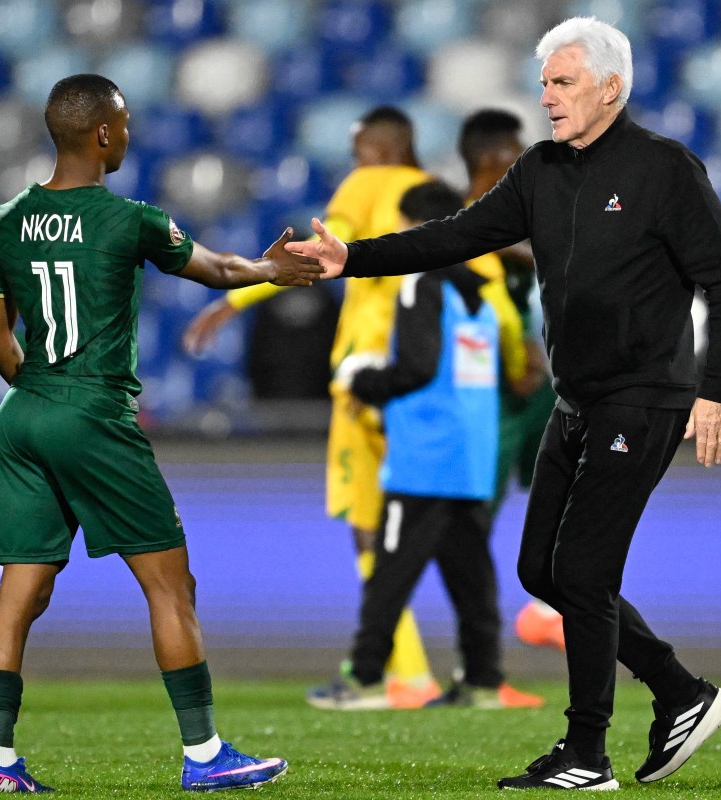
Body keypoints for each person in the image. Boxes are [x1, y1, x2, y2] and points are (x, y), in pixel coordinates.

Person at [288, 16, 721, 791]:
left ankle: (587, 754)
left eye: (563, 82)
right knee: (542, 569)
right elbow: (454, 236)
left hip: (644, 399)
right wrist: (351, 259)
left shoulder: (664, 168)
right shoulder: (541, 170)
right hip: (577, 402)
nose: (547, 97)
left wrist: (719, 392)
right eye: (544, 83)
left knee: (583, 571)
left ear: (611, 88)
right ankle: (680, 691)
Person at [0, 74, 316, 793]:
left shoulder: (7, 219)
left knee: (18, 595)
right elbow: (216, 269)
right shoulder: (129, 219)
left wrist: (42, 394)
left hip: (24, 412)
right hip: (92, 412)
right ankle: (205, 755)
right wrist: (270, 269)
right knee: (170, 584)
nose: (128, 134)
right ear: (103, 134)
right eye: (124, 124)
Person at [182, 106, 442, 708]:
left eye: (359, 151)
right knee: (426, 525)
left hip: (366, 376)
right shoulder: (438, 200)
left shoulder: (367, 184)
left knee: (368, 525)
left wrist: (234, 299)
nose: (354, 163)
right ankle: (444, 668)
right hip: (426, 375)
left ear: (381, 149)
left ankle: (401, 672)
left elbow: (320, 250)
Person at [308, 181, 542, 711]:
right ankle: (482, 680)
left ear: (418, 228)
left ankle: (365, 678)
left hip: (425, 455)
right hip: (470, 456)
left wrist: (363, 378)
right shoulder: (481, 293)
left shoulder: (419, 284)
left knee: (390, 572)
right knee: (471, 576)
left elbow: (417, 367)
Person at [458, 109, 566, 654]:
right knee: (476, 514)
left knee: (572, 482)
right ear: (486, 162)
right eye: (512, 157)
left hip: (539, 381)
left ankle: (549, 609)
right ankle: (476, 653)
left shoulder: (522, 217)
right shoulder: (457, 227)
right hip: (490, 391)